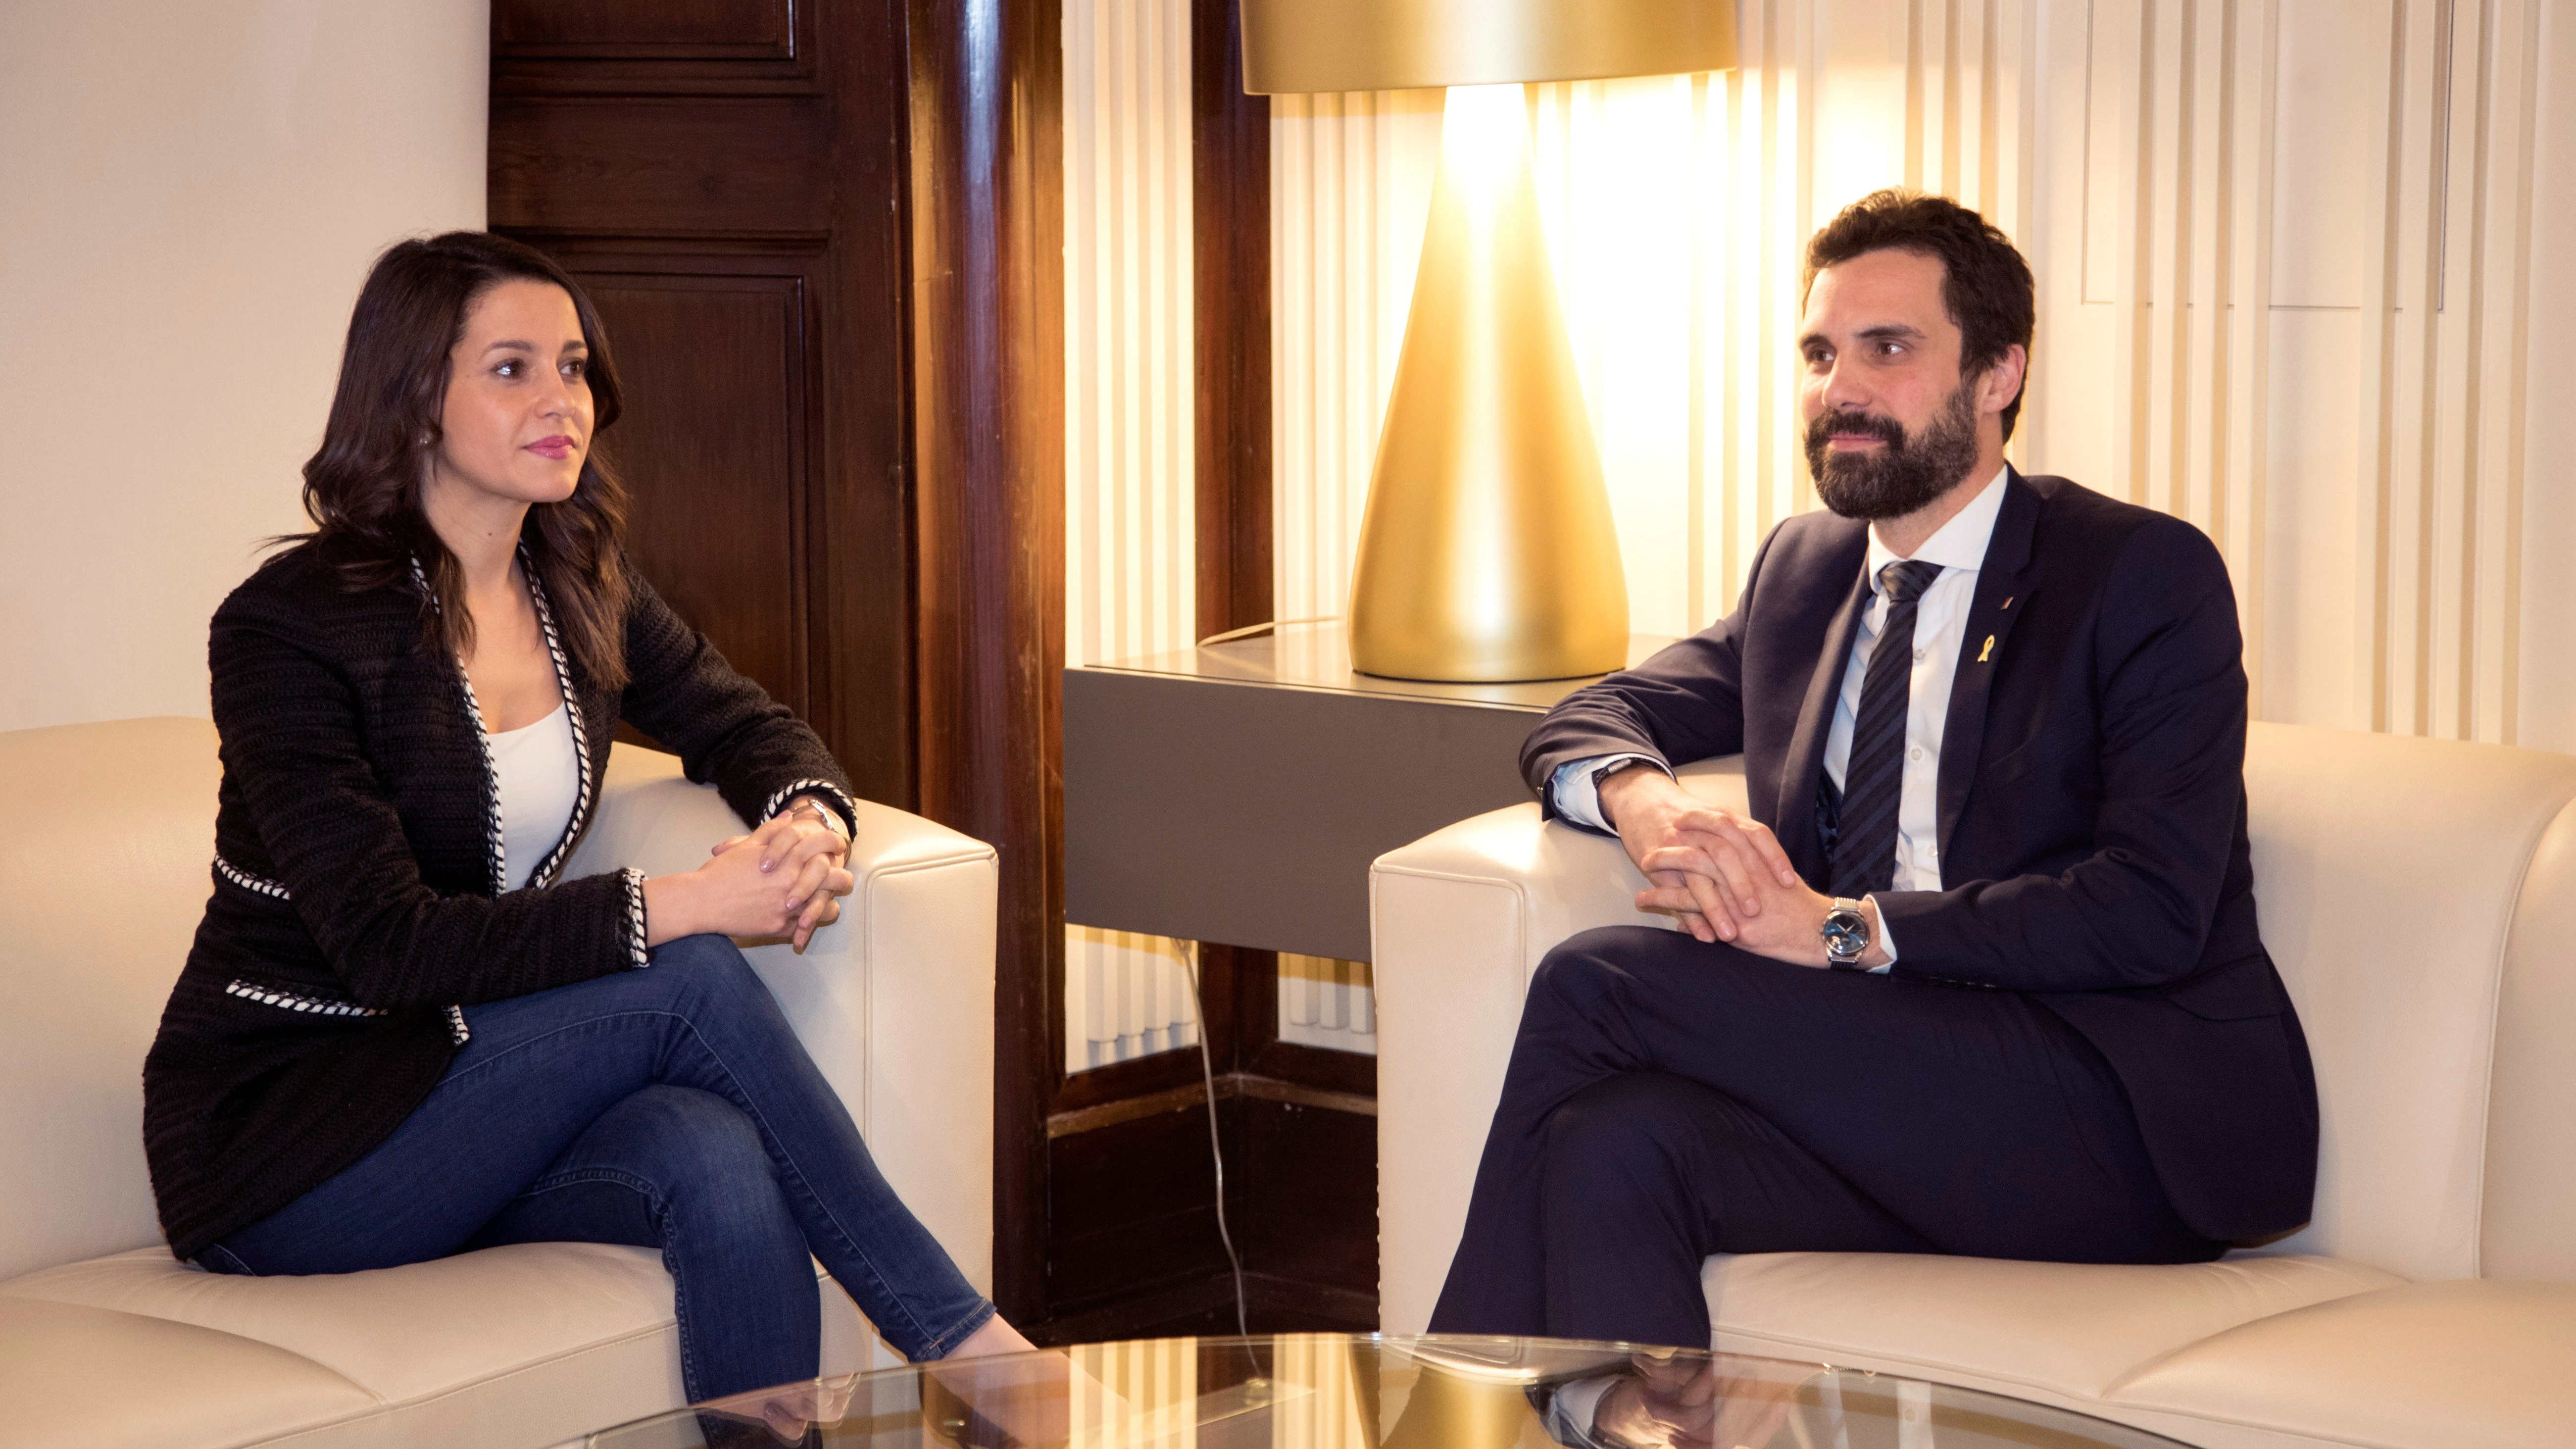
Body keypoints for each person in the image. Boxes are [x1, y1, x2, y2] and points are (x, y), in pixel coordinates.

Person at [1428, 191, 2320, 1400]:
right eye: (1818, 353)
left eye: (1887, 349)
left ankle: (1447, 1411)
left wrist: (1838, 930)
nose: (1839, 388)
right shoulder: (1804, 573)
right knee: (1614, 1143)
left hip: (2108, 1108)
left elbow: (2150, 907)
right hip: (1891, 1097)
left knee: (1599, 980)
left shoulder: (2137, 575)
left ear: (1998, 372)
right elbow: (1591, 717)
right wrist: (1647, 803)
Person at [141, 232, 1033, 1431]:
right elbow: (386, 945)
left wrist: (807, 821)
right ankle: (992, 1366)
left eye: (572, 367)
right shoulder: (287, 628)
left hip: (462, 1101)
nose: (561, 400)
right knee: (689, 977)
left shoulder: (578, 583)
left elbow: (744, 722)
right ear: (412, 396)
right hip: (289, 1138)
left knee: (716, 1153)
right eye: (511, 368)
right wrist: (689, 903)